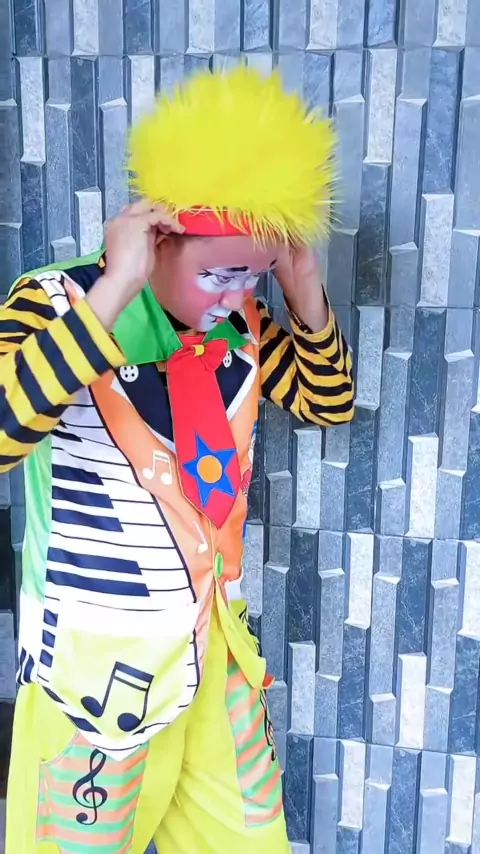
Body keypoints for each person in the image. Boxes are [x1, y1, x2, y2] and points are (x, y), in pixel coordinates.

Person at [1, 66, 354, 854]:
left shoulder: (242, 325)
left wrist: (300, 286)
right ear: (155, 238)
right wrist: (114, 290)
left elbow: (325, 401)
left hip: (216, 669)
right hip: (92, 688)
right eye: (219, 272)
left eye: (252, 273)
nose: (235, 294)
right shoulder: (54, 303)